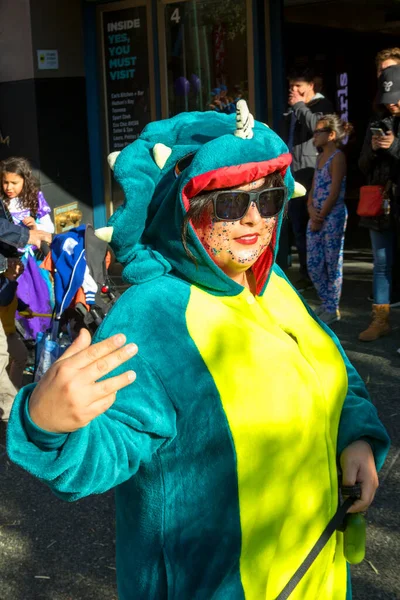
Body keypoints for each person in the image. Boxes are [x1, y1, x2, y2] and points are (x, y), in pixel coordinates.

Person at [7, 103, 389, 600]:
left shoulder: (269, 283)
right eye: (230, 204)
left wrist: (355, 436)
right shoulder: (155, 314)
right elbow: (110, 446)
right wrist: (49, 425)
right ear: (184, 211)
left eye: (269, 199)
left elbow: (330, 365)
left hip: (317, 570)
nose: (254, 217)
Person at [358, 61, 400, 342]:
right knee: (382, 263)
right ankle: (380, 320)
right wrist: (374, 150)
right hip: (381, 204)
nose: (392, 105)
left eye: (395, 98)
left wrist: (395, 146)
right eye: (387, 100)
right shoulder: (376, 122)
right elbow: (361, 165)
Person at [282, 67, 334, 292]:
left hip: (312, 173)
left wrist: (300, 107)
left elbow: (318, 127)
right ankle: (306, 274)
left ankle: (319, 276)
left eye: (298, 87)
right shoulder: (295, 108)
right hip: (294, 172)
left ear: (311, 86)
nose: (294, 91)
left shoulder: (323, 106)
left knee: (313, 226)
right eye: (291, 87)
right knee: (299, 228)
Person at [0, 157, 55, 339]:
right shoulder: (2, 201)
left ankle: (37, 338)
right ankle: (17, 339)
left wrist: (35, 227)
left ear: (25, 180)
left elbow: (49, 229)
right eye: (5, 182)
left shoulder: (34, 198)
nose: (9, 187)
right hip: (8, 262)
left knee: (35, 299)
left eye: (14, 183)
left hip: (29, 262)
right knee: (11, 301)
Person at [307, 115, 353, 325]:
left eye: (318, 132)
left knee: (332, 262)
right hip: (316, 215)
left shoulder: (338, 157)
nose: (314, 136)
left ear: (331, 135)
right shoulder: (319, 158)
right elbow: (314, 187)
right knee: (314, 263)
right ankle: (325, 302)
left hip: (331, 217)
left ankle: (332, 307)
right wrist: (310, 208)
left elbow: (334, 192)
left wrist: (321, 216)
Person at [0, 258, 32, 389]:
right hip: (1, 331)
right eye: (15, 262)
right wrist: (12, 279)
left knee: (21, 355)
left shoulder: (9, 281)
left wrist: (24, 307)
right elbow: (3, 300)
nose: (19, 265)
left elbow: (13, 299)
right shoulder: (4, 281)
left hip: (9, 331)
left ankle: (14, 389)